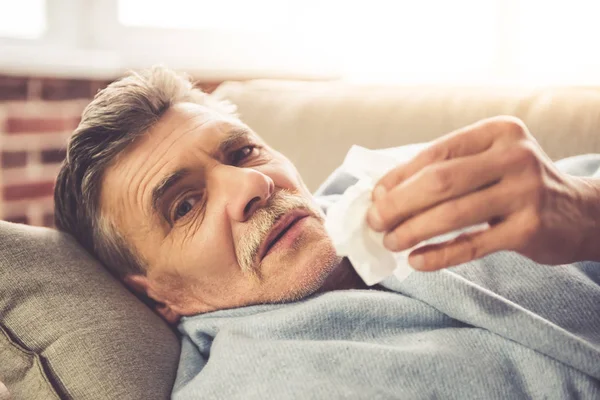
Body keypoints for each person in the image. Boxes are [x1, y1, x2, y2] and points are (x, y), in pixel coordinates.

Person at [54, 67, 600, 399]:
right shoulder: (260, 389)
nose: (251, 184)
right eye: (186, 206)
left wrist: (587, 212)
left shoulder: (415, 179)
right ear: (156, 293)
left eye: (243, 152)